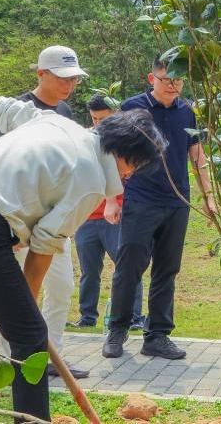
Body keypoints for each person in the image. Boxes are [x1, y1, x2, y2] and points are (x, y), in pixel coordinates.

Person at [0, 96, 163, 422]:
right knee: (30, 339)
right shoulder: (90, 177)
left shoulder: (56, 123)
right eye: (137, 166)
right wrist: (26, 311)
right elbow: (42, 250)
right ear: (127, 156)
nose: (132, 174)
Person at [103, 54, 216, 360]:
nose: (172, 86)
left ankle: (157, 336)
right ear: (151, 78)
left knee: (167, 270)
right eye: (166, 80)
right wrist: (113, 198)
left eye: (178, 80)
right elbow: (112, 155)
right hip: (140, 199)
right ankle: (117, 330)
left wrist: (209, 197)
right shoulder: (131, 107)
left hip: (177, 201)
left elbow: (198, 156)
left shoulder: (188, 111)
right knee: (129, 268)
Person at [2, 45, 88, 379]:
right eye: (62, 78)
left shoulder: (65, 111)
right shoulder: (18, 111)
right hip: (23, 225)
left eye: (74, 79)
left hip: (56, 223)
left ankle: (53, 356)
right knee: (26, 292)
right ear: (41, 73)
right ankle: (22, 357)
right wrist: (13, 229)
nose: (69, 85)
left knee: (63, 286)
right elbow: (10, 173)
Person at [71, 95, 145, 330]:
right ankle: (87, 317)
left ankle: (133, 317)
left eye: (103, 118)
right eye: (94, 118)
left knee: (126, 267)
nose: (98, 124)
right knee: (88, 271)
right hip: (87, 216)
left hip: (116, 215)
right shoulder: (85, 139)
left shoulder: (125, 141)